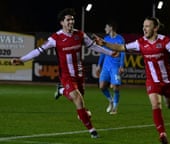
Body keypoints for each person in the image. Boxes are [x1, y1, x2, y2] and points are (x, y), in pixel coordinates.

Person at [11, 8, 117, 139]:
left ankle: (61, 91)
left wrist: (110, 52)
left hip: (79, 74)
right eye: (68, 20)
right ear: (62, 22)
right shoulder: (55, 38)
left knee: (79, 101)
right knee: (78, 99)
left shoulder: (80, 35)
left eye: (72, 19)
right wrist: (21, 59)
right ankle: (92, 130)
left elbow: (93, 47)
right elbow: (38, 51)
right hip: (66, 75)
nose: (71, 22)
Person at [94, 17, 170, 144]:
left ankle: (169, 103)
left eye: (147, 26)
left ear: (155, 28)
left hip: (167, 81)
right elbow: (122, 47)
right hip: (151, 81)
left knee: (169, 105)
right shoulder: (140, 42)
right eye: (143, 26)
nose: (144, 28)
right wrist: (105, 44)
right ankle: (162, 133)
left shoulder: (165, 41)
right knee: (156, 105)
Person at [95, 21, 125, 115]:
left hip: (115, 67)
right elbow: (103, 52)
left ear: (111, 28)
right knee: (102, 87)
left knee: (116, 88)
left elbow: (123, 52)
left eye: (106, 27)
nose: (105, 29)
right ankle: (111, 101)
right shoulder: (106, 38)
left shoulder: (120, 39)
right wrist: (99, 65)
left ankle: (115, 107)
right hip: (105, 66)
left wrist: (121, 66)